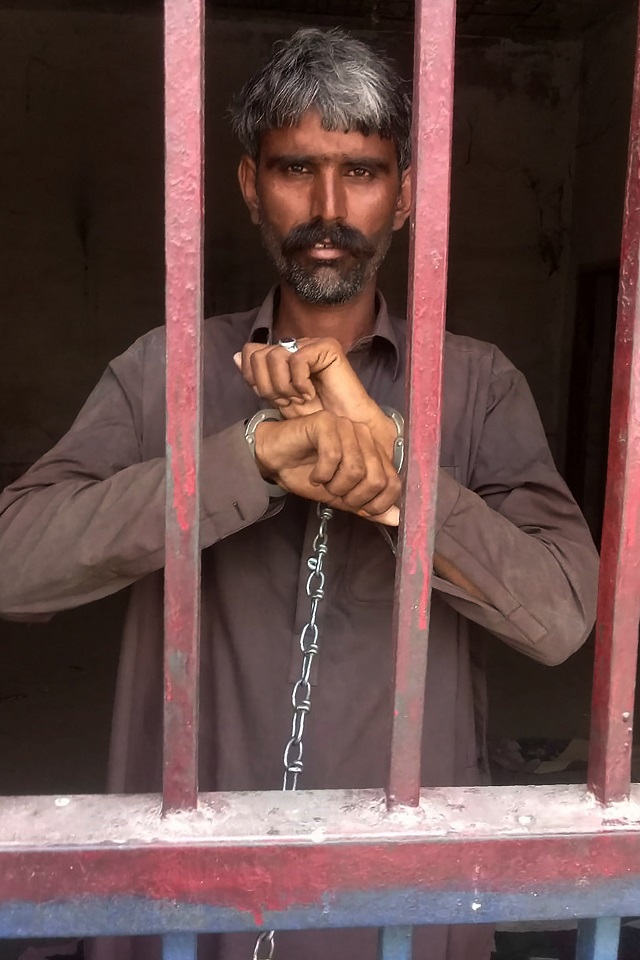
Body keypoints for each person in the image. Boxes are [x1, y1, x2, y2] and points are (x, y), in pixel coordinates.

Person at [0, 27, 598, 960]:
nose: (328, 207)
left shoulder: (476, 386)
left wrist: (393, 470)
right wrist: (252, 456)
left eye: (361, 172)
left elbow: (563, 618)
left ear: (404, 195)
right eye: (296, 170)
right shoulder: (166, 370)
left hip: (395, 900)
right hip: (183, 894)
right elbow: (15, 563)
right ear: (248, 186)